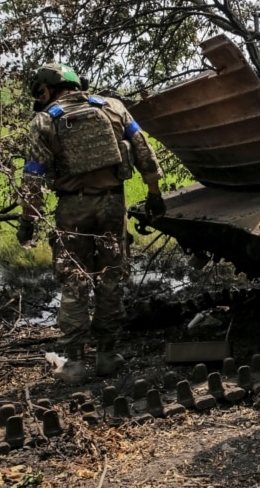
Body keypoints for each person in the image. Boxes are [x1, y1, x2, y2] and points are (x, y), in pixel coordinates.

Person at [17, 63, 166, 385]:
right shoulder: (113, 107)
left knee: (75, 281)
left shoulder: (44, 120)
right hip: (114, 203)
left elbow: (32, 178)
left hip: (72, 208)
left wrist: (28, 219)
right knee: (111, 277)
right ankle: (107, 356)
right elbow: (145, 153)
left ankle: (74, 364)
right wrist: (154, 195)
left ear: (46, 90)